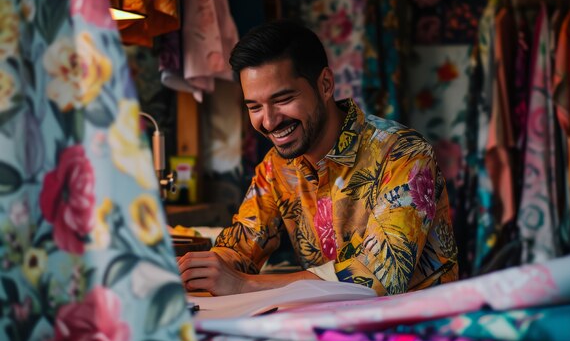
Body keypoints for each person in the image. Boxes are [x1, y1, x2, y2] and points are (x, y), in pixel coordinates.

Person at [178, 19, 458, 296]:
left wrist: (241, 284)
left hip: (417, 330)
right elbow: (242, 245)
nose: (269, 121)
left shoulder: (404, 154)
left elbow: (379, 277)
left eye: (282, 100)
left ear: (325, 85)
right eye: (255, 107)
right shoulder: (276, 167)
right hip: (328, 329)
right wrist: (203, 271)